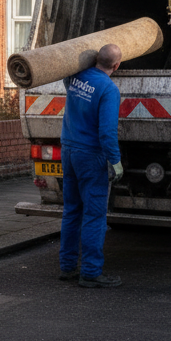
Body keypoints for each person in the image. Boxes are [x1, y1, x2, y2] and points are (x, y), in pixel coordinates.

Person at [58, 43, 124, 288]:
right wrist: (115, 161)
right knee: (94, 215)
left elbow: (65, 78)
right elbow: (107, 132)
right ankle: (91, 272)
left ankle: (66, 267)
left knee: (72, 210)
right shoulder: (108, 89)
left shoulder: (75, 77)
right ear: (116, 66)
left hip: (69, 150)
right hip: (90, 155)